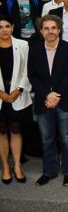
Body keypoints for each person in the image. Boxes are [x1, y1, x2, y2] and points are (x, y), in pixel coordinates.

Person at [28, 15, 68, 186]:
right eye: (46, 28)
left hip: (64, 100)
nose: (50, 31)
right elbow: (32, 76)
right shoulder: (34, 49)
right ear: (41, 31)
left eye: (53, 28)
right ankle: (49, 171)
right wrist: (46, 95)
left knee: (66, 138)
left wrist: (55, 95)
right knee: (46, 139)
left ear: (59, 30)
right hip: (43, 101)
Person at [0, 16, 32, 184]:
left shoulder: (23, 45)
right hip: (0, 95)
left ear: (12, 27)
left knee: (15, 130)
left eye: (7, 26)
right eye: (0, 27)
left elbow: (28, 70)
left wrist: (18, 90)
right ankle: (6, 166)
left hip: (18, 94)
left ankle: (17, 165)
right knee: (2, 132)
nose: (4, 30)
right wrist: (1, 94)